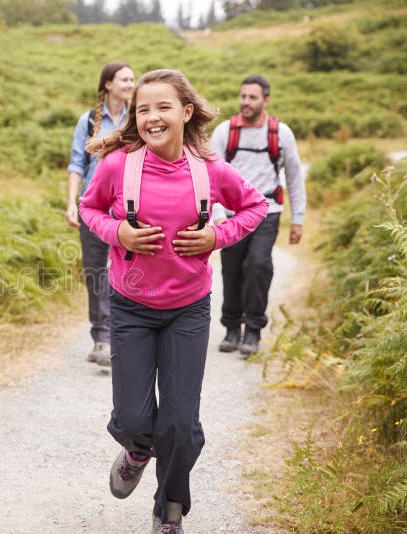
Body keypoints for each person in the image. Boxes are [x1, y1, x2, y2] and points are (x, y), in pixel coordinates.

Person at [79, 69, 267, 533]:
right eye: (143, 109)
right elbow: (89, 208)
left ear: (186, 112)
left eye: (163, 107)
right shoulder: (118, 165)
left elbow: (256, 206)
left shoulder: (210, 170)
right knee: (133, 418)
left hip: (188, 309)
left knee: (180, 424)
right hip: (130, 307)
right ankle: (137, 451)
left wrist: (215, 236)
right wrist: (117, 230)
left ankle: (170, 511)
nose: (152, 117)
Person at [210, 75, 306, 356]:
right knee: (231, 270)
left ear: (266, 100)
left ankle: (252, 330)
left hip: (267, 211)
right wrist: (217, 214)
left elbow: (295, 177)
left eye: (252, 97)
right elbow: (212, 177)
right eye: (243, 96)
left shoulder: (281, 133)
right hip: (230, 214)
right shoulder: (225, 132)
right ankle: (231, 327)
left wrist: (297, 218)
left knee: (258, 266)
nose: (246, 102)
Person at [66, 60, 135, 367]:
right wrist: (72, 203)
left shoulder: (138, 119)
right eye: (124, 79)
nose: (130, 84)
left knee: (126, 273)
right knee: (97, 273)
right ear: (108, 84)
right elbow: (77, 164)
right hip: (94, 209)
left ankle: (124, 336)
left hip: (127, 211)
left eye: (133, 79)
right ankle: (102, 339)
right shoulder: (89, 121)